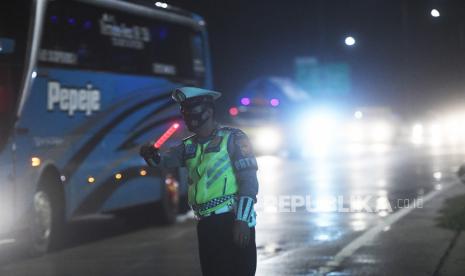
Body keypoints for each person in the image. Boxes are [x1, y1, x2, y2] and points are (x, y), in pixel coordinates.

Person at [139, 87, 259, 276]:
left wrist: (242, 220)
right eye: (184, 112)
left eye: (191, 111)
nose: (187, 117)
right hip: (206, 225)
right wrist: (150, 155)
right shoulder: (188, 145)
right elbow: (163, 161)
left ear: (208, 112)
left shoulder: (234, 138)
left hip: (232, 220)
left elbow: (249, 182)